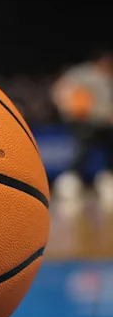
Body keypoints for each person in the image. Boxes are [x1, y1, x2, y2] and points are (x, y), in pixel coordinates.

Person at [51, 50, 113, 205]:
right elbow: (60, 89)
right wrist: (68, 107)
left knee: (107, 151)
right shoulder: (83, 73)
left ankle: (107, 179)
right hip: (84, 120)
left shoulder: (108, 77)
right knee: (83, 150)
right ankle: (68, 181)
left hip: (103, 122)